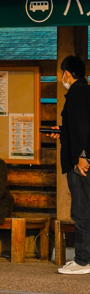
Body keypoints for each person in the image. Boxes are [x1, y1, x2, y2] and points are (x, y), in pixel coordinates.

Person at [49, 54, 90, 274]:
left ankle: (83, 261)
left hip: (80, 164)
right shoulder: (84, 91)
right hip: (81, 159)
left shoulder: (77, 93)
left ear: (66, 73)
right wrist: (62, 132)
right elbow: (77, 127)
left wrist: (83, 155)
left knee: (81, 210)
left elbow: (83, 127)